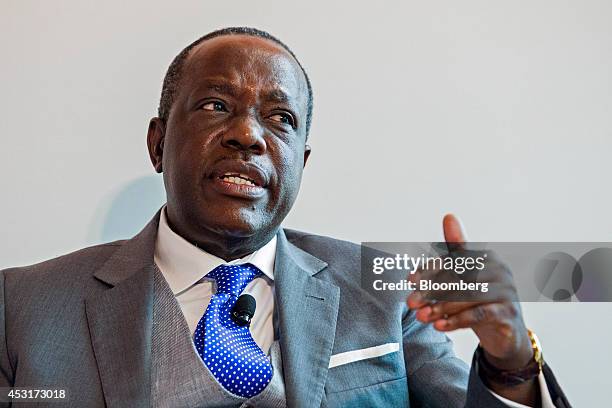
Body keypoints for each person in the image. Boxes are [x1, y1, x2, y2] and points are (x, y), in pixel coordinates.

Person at [0, 27, 570, 407]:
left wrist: (511, 363)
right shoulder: (22, 306)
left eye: (280, 119)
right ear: (157, 143)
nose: (247, 135)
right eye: (215, 105)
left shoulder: (387, 292)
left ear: (302, 162)